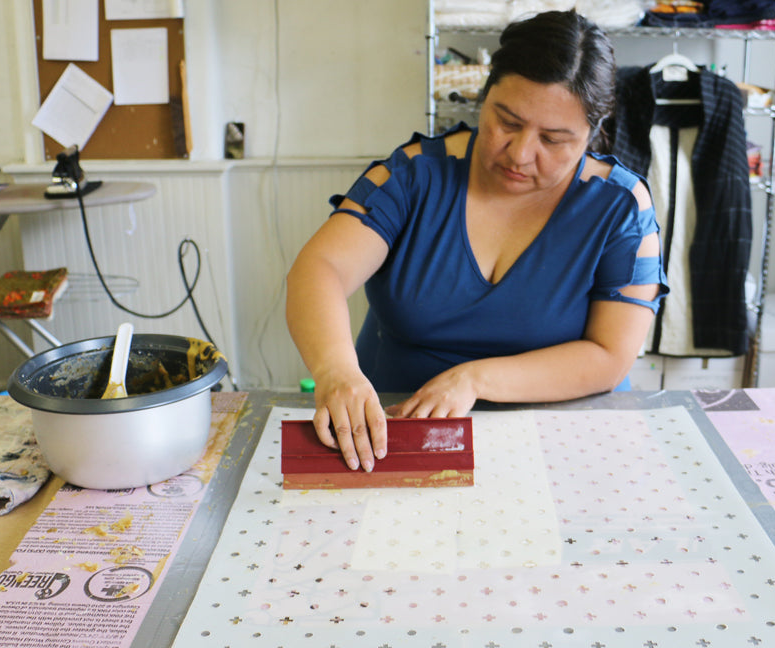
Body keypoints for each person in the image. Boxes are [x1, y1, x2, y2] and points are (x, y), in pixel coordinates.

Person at [285, 10, 668, 472]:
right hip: (391, 432)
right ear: (484, 97)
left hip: (563, 437)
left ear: (591, 133)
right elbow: (320, 269)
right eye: (506, 121)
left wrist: (474, 379)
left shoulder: (622, 206)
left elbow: (609, 356)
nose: (521, 154)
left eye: (553, 139)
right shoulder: (412, 176)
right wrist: (335, 373)